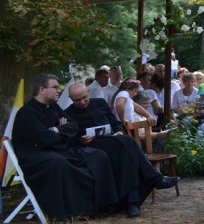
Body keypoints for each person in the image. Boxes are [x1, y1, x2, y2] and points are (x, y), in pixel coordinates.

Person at [11, 74, 119, 220]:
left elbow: (74, 126)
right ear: (42, 89)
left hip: (59, 149)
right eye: (55, 87)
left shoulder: (54, 107)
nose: (59, 90)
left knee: (98, 156)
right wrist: (60, 130)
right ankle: (74, 212)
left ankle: (104, 206)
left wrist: (56, 130)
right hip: (37, 157)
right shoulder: (27, 113)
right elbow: (44, 139)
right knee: (62, 164)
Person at [65, 82, 179, 217]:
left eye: (84, 97)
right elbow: (70, 139)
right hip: (93, 147)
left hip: (114, 141)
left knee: (126, 153)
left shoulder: (100, 103)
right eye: (77, 100)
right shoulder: (68, 114)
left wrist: (118, 131)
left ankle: (133, 203)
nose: (83, 102)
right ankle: (154, 179)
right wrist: (82, 140)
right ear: (71, 99)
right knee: (128, 142)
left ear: (88, 93)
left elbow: (115, 122)